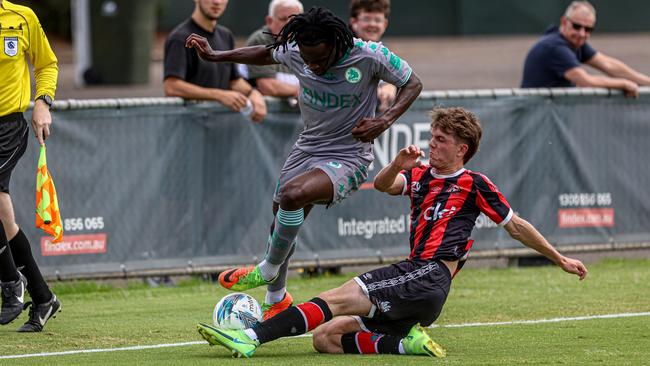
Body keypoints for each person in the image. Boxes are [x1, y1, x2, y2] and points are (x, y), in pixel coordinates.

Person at [194, 107, 589, 358]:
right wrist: (398, 162)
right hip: (420, 287)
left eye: (441, 140)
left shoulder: (475, 183)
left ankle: (251, 337)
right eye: (433, 137)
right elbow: (385, 185)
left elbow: (516, 226)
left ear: (463, 149)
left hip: (430, 274)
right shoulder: (419, 176)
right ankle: (404, 344)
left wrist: (559, 258)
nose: (433, 144)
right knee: (326, 339)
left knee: (338, 296)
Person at [185, 6, 422, 321]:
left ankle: (267, 269)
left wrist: (384, 120)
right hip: (308, 147)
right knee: (281, 223)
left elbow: (413, 83)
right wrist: (217, 56)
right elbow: (265, 53)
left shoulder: (368, 55)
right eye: (307, 60)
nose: (312, 65)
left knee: (292, 195)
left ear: (337, 46)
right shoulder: (299, 51)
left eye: (320, 60)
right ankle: (277, 299)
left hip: (350, 154)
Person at [0, 0, 61, 332]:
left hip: (8, 128)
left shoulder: (21, 17)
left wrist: (42, 102)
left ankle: (11, 284)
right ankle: (42, 297)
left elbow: (47, 64)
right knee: (4, 217)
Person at [164, 0, 267, 122]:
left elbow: (234, 81)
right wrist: (219, 95)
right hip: (188, 127)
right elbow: (172, 86)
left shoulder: (226, 35)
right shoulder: (180, 37)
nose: (217, 2)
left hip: (218, 128)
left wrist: (253, 93)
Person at [521, 0, 650, 96]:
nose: (582, 33)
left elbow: (608, 65)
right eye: (577, 26)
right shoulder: (554, 46)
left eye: (588, 29)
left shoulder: (574, 42)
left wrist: (647, 82)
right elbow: (586, 81)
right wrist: (624, 84)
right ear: (564, 22)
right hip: (533, 119)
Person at [243, 0, 303, 98]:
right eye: (283, 19)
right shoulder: (260, 41)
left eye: (294, 20)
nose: (289, 25)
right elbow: (267, 86)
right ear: (269, 21)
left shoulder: (307, 43)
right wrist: (304, 91)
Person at [349, 0, 395, 111]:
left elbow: (391, 80)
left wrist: (389, 88)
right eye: (367, 19)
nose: (372, 24)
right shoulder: (341, 49)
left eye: (377, 20)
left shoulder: (383, 51)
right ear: (354, 22)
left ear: (385, 24)